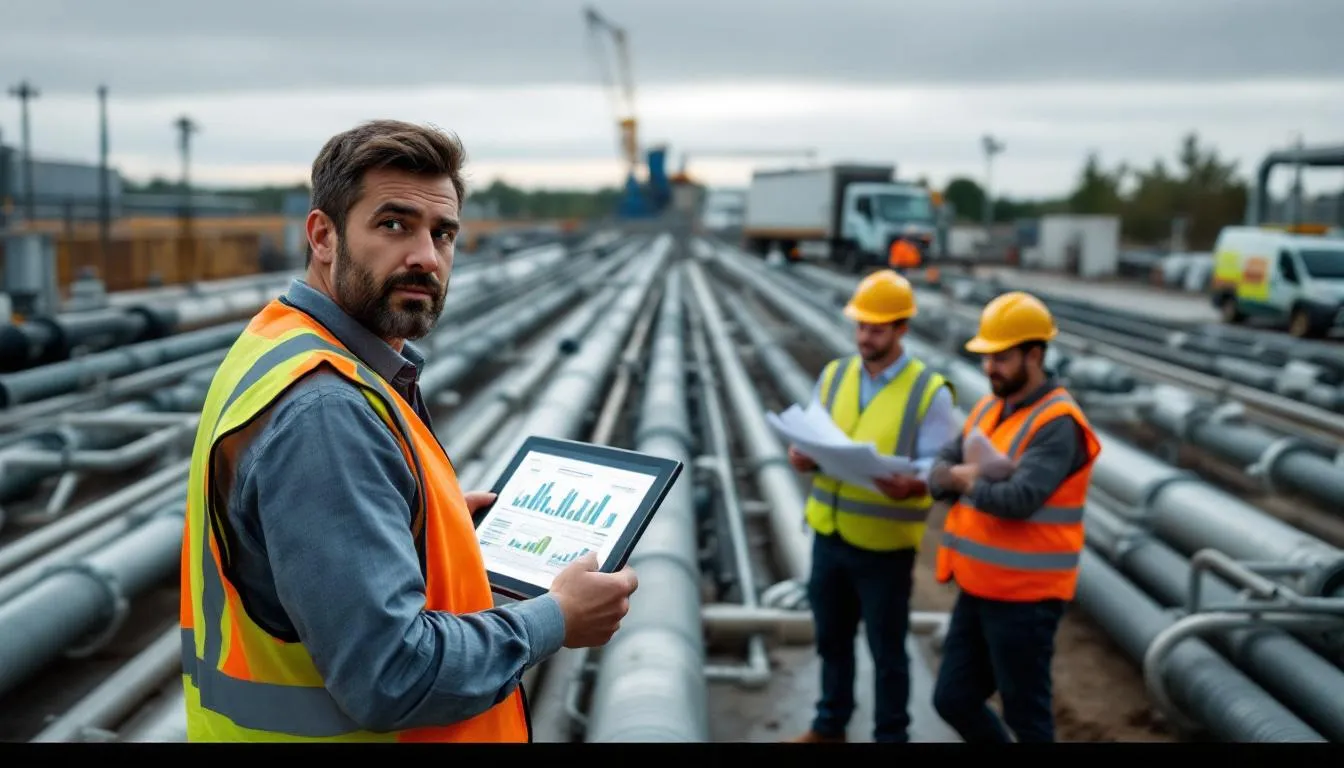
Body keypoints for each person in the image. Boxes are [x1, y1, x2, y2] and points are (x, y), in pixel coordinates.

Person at [179, 119, 638, 743]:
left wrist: (428, 527)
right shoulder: (325, 411)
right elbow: (394, 675)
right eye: (394, 225)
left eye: (442, 233)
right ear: (323, 236)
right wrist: (555, 618)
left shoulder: (281, 341)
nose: (425, 255)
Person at [786, 270, 958, 744]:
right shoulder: (835, 374)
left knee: (887, 651)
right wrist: (801, 455)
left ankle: (890, 735)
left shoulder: (930, 392)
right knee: (832, 640)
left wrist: (913, 483)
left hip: (884, 547)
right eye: (861, 326)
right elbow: (814, 434)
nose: (865, 336)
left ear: (902, 329)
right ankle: (830, 725)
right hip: (829, 532)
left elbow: (938, 467)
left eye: (877, 328)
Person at [927, 290, 1101, 743]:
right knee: (953, 698)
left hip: (1026, 600)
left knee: (1028, 717)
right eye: (986, 357)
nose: (990, 368)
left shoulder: (1057, 423)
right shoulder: (988, 408)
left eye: (1001, 358)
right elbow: (938, 471)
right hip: (979, 586)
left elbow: (1020, 498)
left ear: (1034, 354)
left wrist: (964, 480)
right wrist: (959, 476)